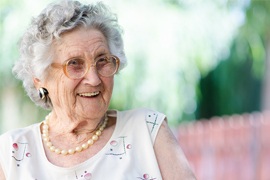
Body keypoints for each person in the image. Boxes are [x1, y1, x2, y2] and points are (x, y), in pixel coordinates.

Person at [0, 0, 196, 179]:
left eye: (102, 61)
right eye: (75, 64)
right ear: (40, 79)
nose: (94, 79)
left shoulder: (147, 130)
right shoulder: (9, 154)